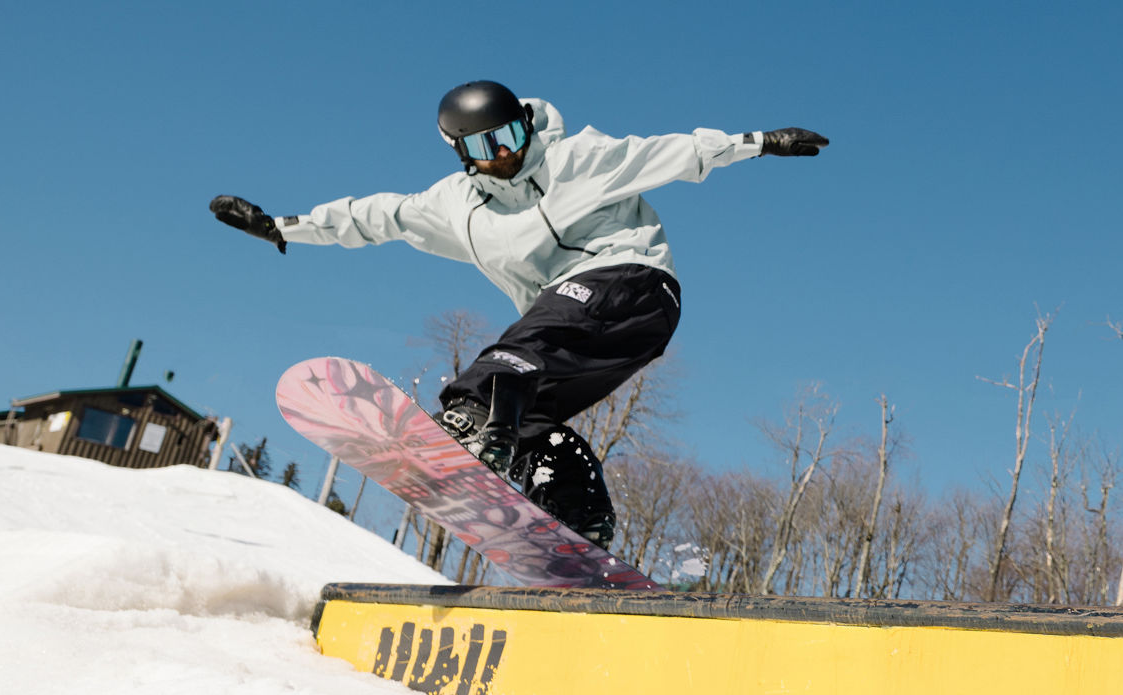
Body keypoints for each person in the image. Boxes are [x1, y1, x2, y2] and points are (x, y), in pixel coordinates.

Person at [209, 80, 827, 546]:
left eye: (510, 137)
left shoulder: (576, 158)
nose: (503, 155)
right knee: (530, 416)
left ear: (526, 126)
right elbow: (379, 216)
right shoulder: (455, 205)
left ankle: (472, 422)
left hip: (632, 285)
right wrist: (284, 226)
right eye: (484, 147)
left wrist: (761, 143)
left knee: (512, 360)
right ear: (460, 152)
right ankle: (579, 514)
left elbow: (677, 152)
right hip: (594, 334)